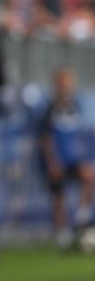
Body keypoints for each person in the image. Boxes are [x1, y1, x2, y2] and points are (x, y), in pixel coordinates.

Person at [39, 68, 95, 249]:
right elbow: (45, 139)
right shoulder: (49, 109)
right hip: (57, 160)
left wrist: (84, 158)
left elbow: (79, 135)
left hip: (73, 158)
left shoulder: (75, 106)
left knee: (89, 178)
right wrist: (53, 163)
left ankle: (82, 220)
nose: (67, 86)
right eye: (64, 82)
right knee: (59, 195)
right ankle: (62, 234)